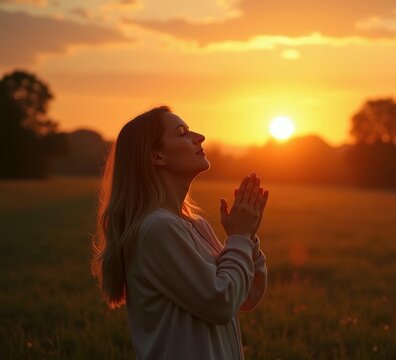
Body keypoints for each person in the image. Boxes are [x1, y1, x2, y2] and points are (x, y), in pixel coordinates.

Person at [91, 105, 269, 359]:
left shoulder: (195, 225)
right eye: (183, 132)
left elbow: (245, 296)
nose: (199, 137)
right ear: (157, 156)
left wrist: (247, 238)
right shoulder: (157, 228)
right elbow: (221, 303)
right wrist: (239, 237)